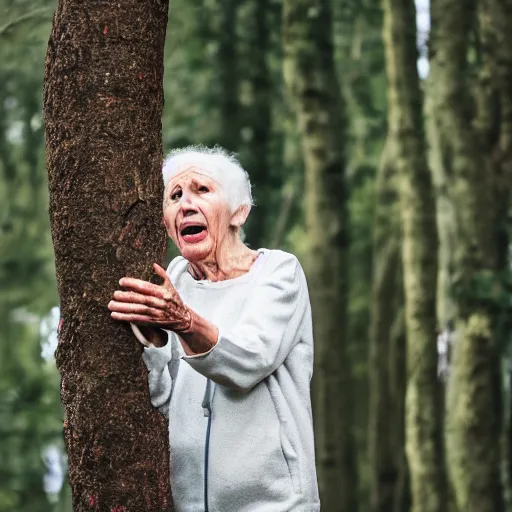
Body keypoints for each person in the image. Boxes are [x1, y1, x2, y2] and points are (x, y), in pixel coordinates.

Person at [108, 145, 320, 512]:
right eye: (174, 196)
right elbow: (162, 403)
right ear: (166, 223)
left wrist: (184, 322)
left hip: (276, 504)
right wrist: (157, 344)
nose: (185, 204)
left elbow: (248, 361)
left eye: (201, 190)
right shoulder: (172, 281)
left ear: (239, 211)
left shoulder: (278, 273)